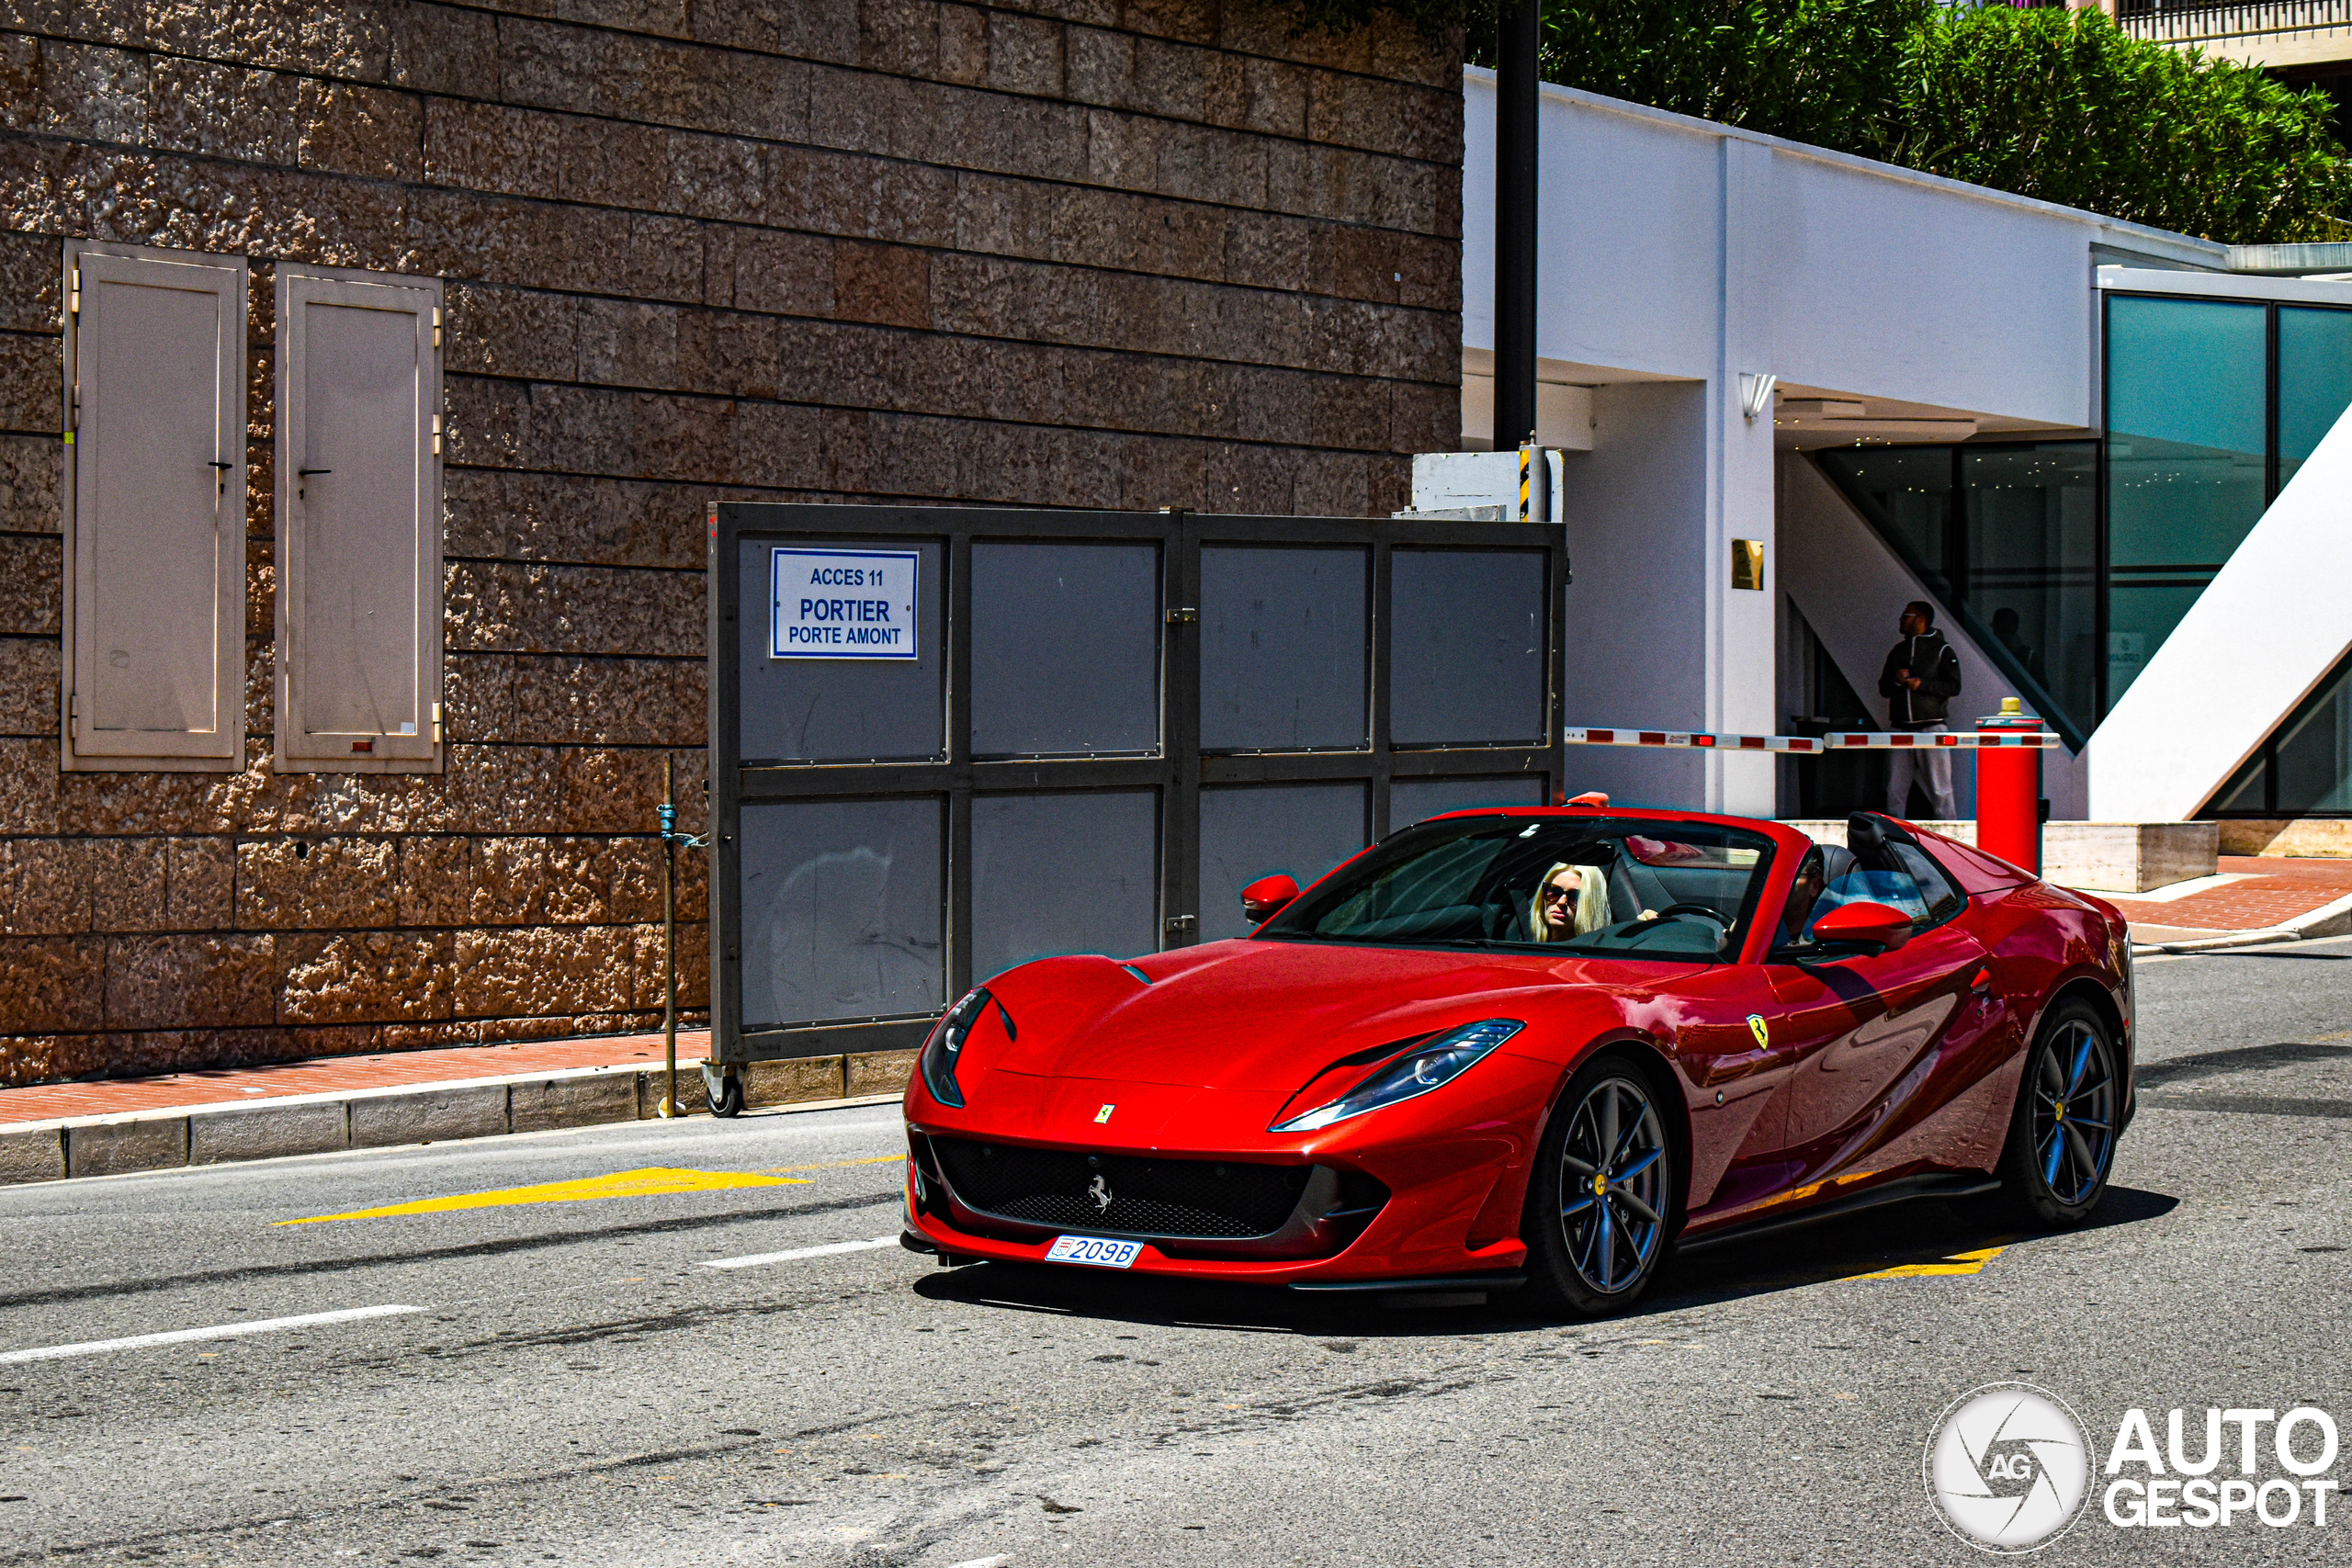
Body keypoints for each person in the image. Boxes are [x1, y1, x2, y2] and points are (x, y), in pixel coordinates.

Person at [1878, 600, 1961, 819]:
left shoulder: (1942, 650)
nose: (1901, 620)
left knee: (1941, 789)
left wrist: (1921, 684)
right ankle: (1893, 835)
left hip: (1932, 727)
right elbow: (1884, 688)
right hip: (1900, 728)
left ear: (1920, 620)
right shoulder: (1898, 651)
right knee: (1894, 789)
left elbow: (1954, 686)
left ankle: (1950, 836)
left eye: (1906, 615)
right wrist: (1897, 681)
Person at [1530, 863, 1610, 942]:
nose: (1561, 902)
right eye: (1554, 892)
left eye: (1574, 896)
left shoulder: (1601, 953)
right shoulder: (1525, 948)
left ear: (1591, 905)